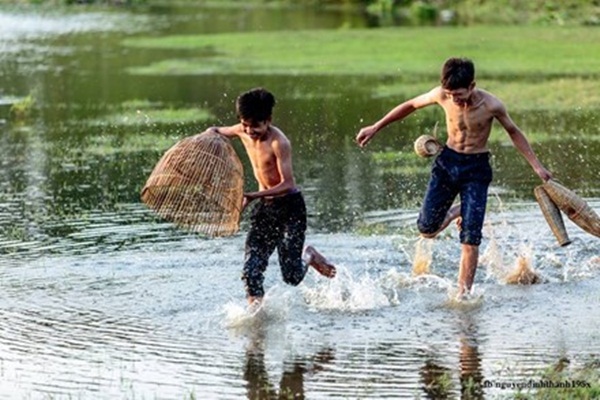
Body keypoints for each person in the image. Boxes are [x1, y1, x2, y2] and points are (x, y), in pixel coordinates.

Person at [356, 57, 552, 299]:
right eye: (450, 94)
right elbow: (410, 105)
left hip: (476, 170)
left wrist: (537, 167)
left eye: (459, 94)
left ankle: (463, 295)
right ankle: (459, 210)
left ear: (472, 85)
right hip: (447, 164)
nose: (454, 99)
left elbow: (514, 132)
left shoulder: (492, 105)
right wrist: (376, 127)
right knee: (427, 229)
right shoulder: (441, 95)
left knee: (471, 238)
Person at [208, 87, 336, 306]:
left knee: (292, 276)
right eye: (245, 124)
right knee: (251, 271)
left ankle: (310, 256)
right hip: (265, 208)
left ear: (268, 120)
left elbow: (287, 184)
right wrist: (208, 133)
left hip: (290, 208)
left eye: (255, 126)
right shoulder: (242, 130)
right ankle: (255, 321)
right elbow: (217, 130)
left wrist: (252, 195)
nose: (249, 131)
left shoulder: (279, 143)